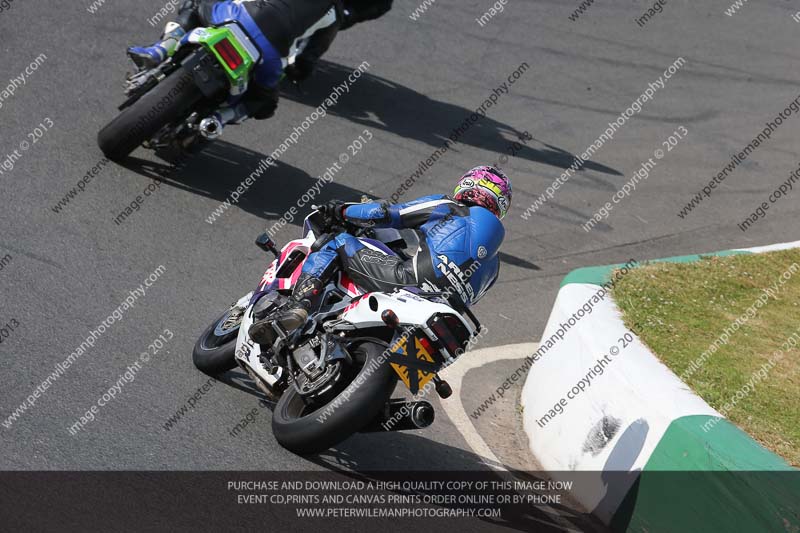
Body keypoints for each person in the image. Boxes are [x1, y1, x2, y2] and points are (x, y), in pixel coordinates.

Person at [248, 165, 511, 345]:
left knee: (337, 241)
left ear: (468, 185)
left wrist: (340, 211)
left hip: (407, 284)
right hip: (437, 315)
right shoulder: (494, 267)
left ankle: (299, 307)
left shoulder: (450, 208)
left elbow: (388, 215)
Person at [127, 0, 343, 121]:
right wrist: (299, 73)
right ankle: (219, 119)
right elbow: (309, 58)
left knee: (194, 5)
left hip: (232, 17)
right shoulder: (335, 13)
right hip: (269, 55)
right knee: (264, 102)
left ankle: (159, 51)